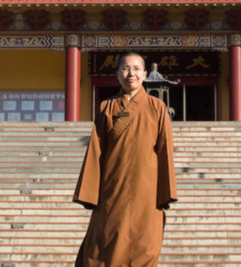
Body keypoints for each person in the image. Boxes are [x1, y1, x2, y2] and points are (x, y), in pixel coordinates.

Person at [74, 52, 178, 267]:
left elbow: (165, 151)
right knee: (103, 245)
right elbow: (95, 152)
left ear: (145, 74)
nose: (131, 74)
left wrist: (165, 193)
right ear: (117, 74)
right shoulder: (106, 107)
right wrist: (91, 193)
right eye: (125, 68)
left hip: (147, 190)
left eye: (136, 69)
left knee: (145, 246)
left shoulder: (157, 107)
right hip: (112, 188)